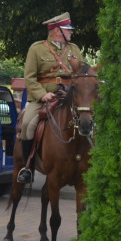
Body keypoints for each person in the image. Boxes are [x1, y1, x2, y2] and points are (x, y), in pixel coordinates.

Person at [17, 12, 83, 184]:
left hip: (70, 96)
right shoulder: (37, 49)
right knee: (27, 125)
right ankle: (28, 168)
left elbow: (81, 75)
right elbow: (30, 78)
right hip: (45, 97)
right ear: (56, 31)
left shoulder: (75, 49)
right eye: (68, 30)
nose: (71, 33)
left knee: (88, 119)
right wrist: (42, 94)